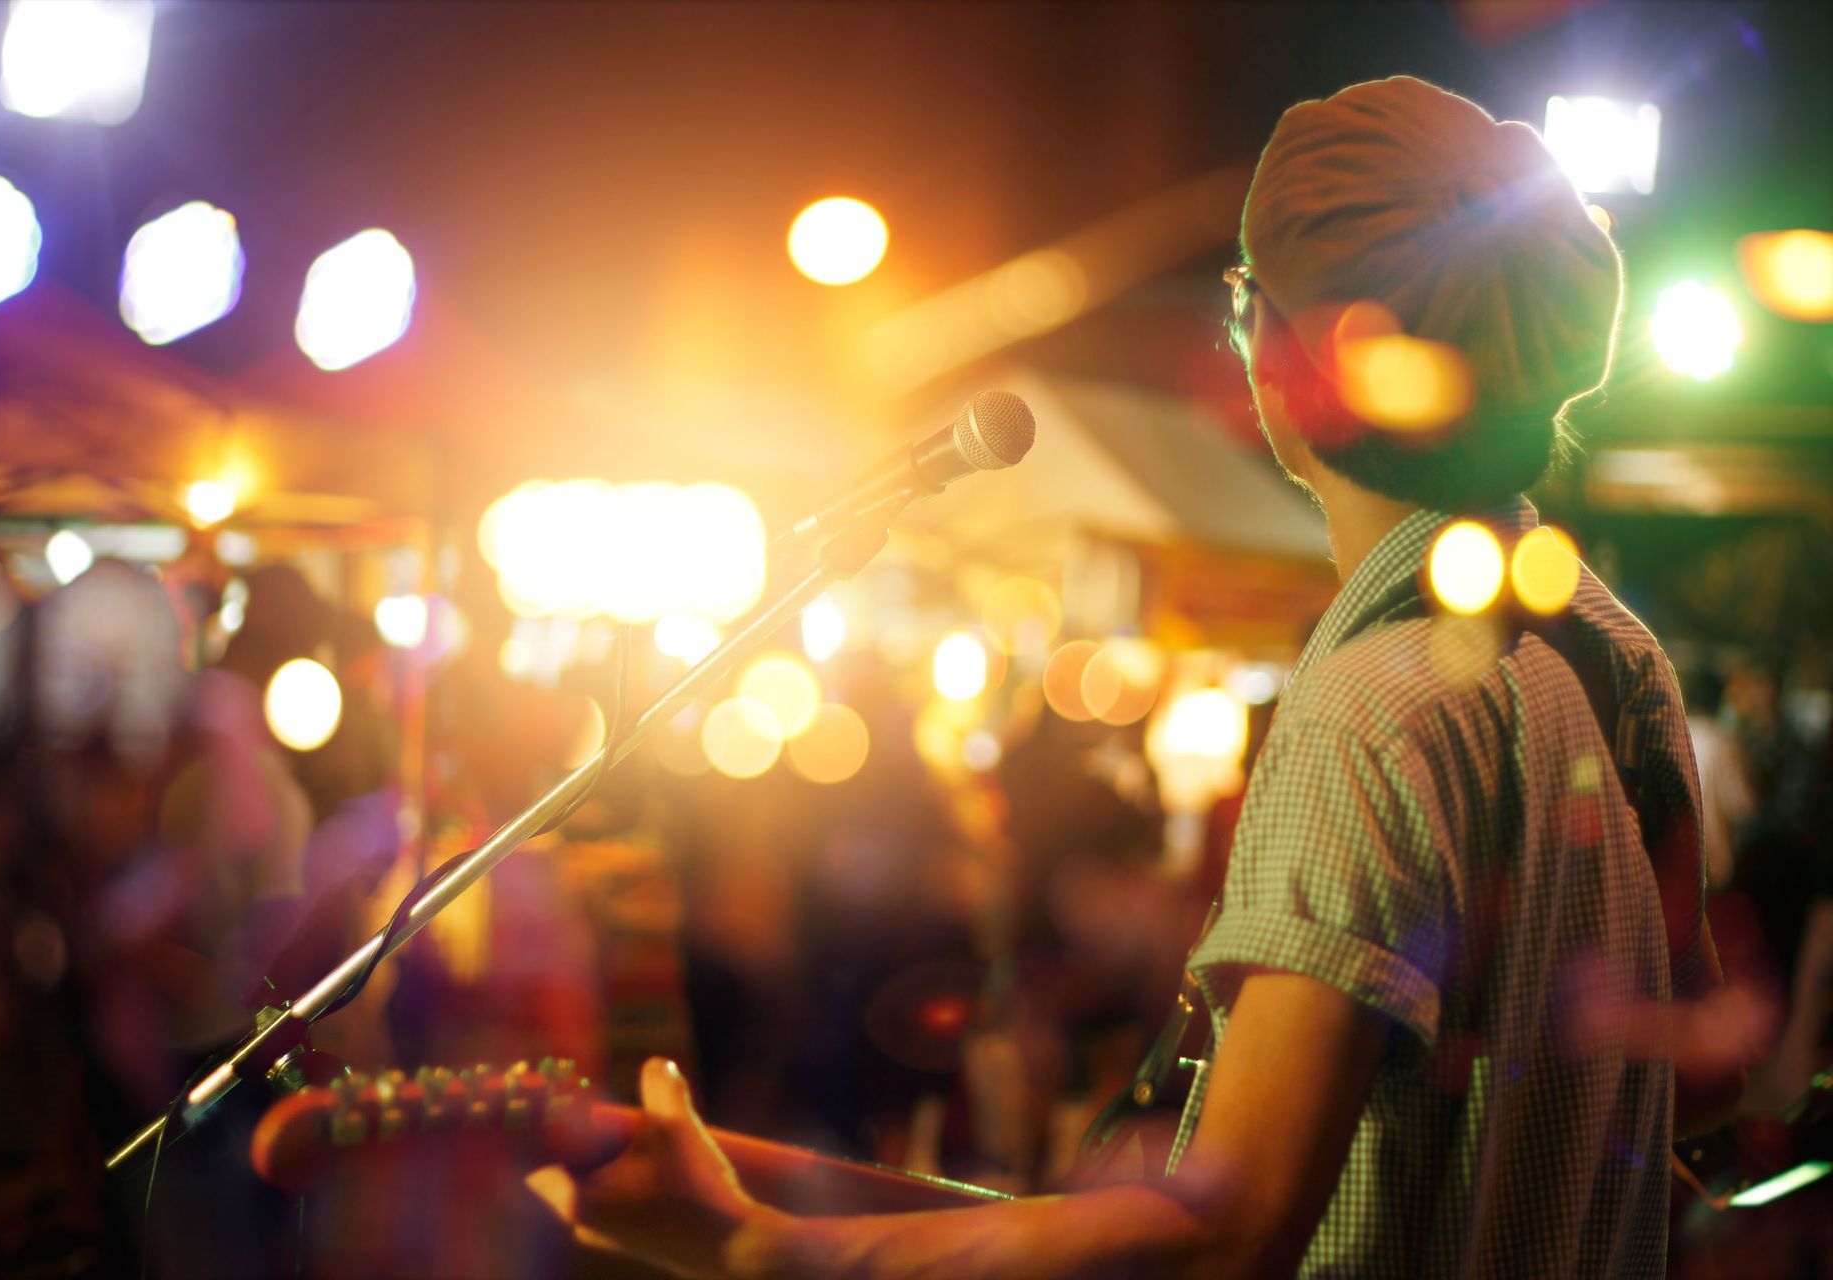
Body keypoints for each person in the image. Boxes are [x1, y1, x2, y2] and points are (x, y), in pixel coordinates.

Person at [526, 76, 1742, 1278]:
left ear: (1304, 356)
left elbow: (1235, 1226)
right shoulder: (1613, 650)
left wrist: (761, 1246)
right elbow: (1692, 1078)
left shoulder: (1376, 702)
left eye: (1243, 298)